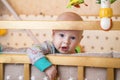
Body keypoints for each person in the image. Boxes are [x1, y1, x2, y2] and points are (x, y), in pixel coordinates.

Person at [27, 12, 83, 80]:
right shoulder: (49, 46)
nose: (66, 41)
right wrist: (47, 67)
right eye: (62, 35)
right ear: (53, 34)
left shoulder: (77, 51)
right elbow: (32, 50)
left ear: (80, 40)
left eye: (73, 38)